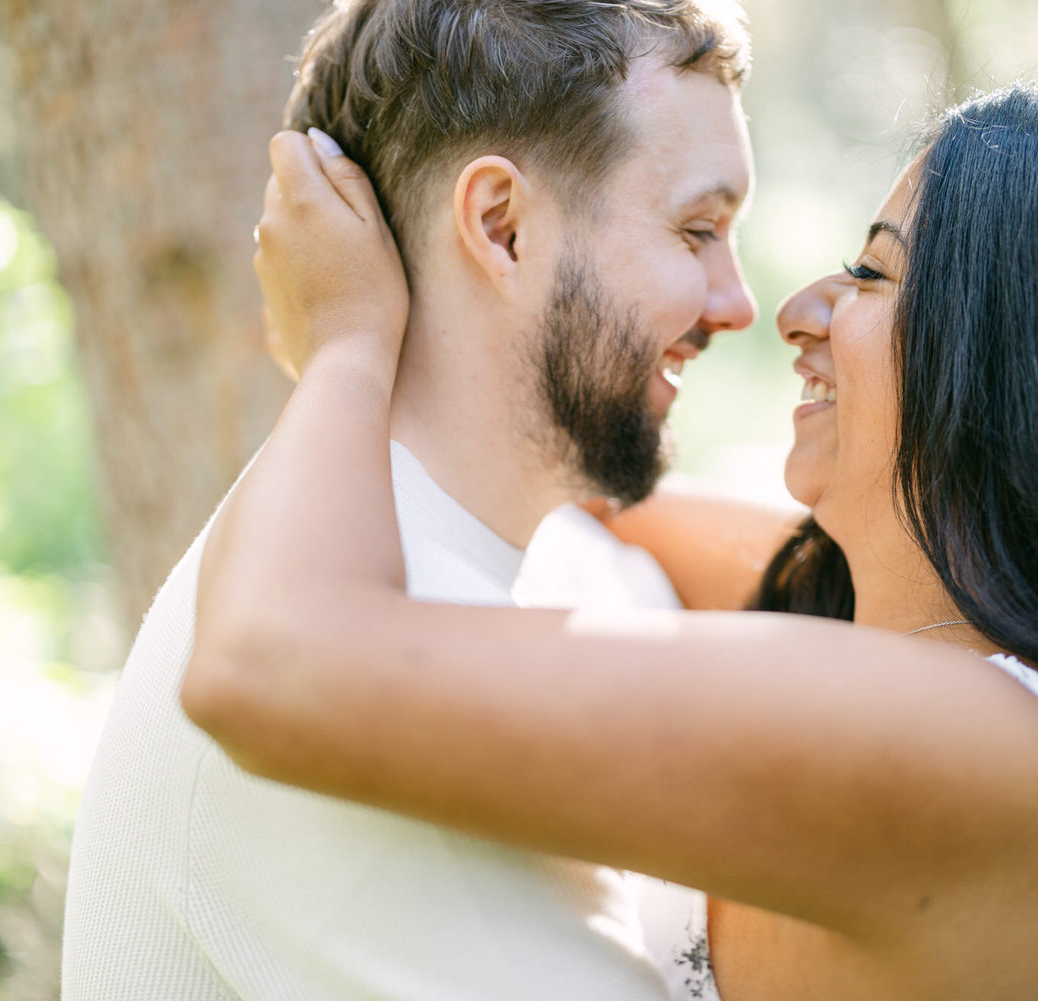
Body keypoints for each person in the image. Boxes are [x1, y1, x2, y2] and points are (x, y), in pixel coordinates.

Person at [183, 84, 1038, 1001]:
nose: (798, 309)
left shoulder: (992, 748)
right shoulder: (919, 648)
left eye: (875, 272)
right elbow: (592, 496)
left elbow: (268, 662)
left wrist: (344, 344)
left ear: (1037, 372)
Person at [61, 2, 770, 999]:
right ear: (501, 226)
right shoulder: (362, 674)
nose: (737, 301)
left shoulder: (556, 552)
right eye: (698, 228)